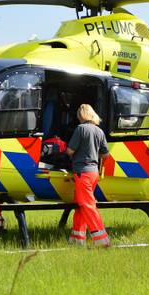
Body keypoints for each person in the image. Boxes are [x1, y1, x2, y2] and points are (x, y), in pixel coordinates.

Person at [66, 104, 110, 247]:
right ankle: (77, 238)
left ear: (81, 115)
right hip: (94, 173)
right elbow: (105, 154)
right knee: (81, 204)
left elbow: (70, 151)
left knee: (87, 205)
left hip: (82, 172)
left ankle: (102, 239)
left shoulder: (80, 129)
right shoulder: (99, 131)